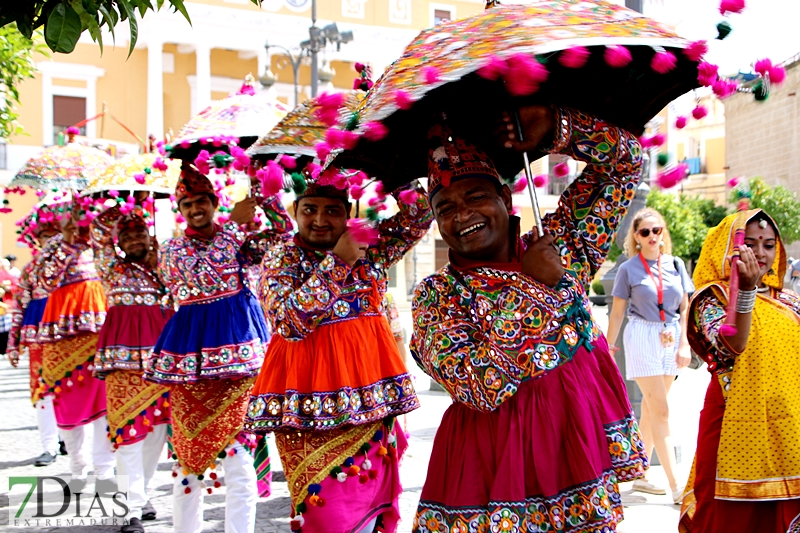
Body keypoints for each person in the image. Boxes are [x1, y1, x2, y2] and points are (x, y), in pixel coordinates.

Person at [410, 105, 647, 533]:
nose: (461, 215)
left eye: (476, 197)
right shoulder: (437, 295)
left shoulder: (561, 246)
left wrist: (557, 129)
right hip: (492, 473)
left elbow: (626, 164)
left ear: (505, 198)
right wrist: (537, 289)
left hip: (576, 452)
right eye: (445, 208)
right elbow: (477, 386)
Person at [245, 178, 432, 533]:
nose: (319, 219)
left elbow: (420, 214)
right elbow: (288, 322)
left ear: (347, 214)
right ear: (295, 212)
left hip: (370, 402)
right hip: (307, 408)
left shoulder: (369, 245)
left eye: (332, 211)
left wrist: (386, 168)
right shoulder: (281, 256)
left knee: (367, 513)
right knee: (324, 515)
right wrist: (338, 262)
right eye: (309, 210)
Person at [146, 164, 291, 533]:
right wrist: (234, 223)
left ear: (213, 202)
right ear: (181, 210)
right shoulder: (172, 250)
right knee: (187, 467)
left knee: (241, 463)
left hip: (238, 367)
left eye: (202, 201)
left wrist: (262, 193)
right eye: (188, 203)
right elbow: (200, 274)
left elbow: (284, 234)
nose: (196, 208)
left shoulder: (241, 241)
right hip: (189, 370)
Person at [679, 209, 800, 533]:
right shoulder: (712, 298)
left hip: (789, 431)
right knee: (727, 519)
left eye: (769, 245)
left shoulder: (790, 303)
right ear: (727, 247)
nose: (760, 253)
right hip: (733, 427)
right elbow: (732, 345)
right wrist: (744, 292)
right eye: (750, 243)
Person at [90, 201, 173, 533]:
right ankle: (130, 511)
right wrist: (127, 205)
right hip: (122, 366)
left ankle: (140, 495)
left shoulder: (163, 266)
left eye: (141, 232)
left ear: (149, 237)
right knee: (128, 435)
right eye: (128, 235)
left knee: (154, 434)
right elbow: (97, 232)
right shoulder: (112, 269)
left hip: (162, 362)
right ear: (120, 243)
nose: (135, 239)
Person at [605, 207, 693, 502]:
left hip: (671, 335)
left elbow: (684, 306)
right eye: (645, 232)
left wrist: (685, 344)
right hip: (641, 335)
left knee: (653, 411)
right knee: (662, 411)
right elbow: (617, 313)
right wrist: (608, 347)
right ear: (636, 237)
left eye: (657, 230)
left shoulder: (676, 264)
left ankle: (640, 475)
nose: (652, 236)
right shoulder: (629, 269)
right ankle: (676, 486)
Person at [37, 204, 114, 493]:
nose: (79, 220)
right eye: (72, 214)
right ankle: (77, 467)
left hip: (100, 334)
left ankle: (105, 472)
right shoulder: (54, 247)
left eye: (84, 213)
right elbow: (43, 281)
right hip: (63, 339)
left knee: (106, 404)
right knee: (67, 407)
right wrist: (67, 242)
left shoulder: (101, 243)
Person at [7, 203, 64, 466]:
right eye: (44, 236)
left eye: (55, 234)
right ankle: (49, 445)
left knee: (71, 384)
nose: (50, 240)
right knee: (43, 389)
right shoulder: (30, 269)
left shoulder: (76, 264)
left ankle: (67, 437)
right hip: (39, 335)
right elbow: (19, 305)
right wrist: (13, 342)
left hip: (70, 332)